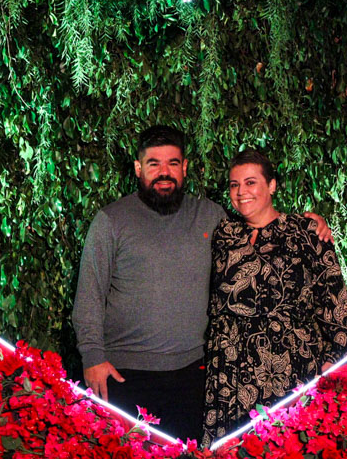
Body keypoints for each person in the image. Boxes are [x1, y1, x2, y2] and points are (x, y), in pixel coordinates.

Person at [73, 127, 331, 441]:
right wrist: (93, 357)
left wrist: (305, 225)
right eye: (154, 164)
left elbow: (258, 228)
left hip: (194, 375)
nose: (164, 172)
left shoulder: (210, 216)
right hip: (125, 373)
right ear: (139, 168)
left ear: (184, 167)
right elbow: (89, 295)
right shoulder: (111, 221)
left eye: (173, 163)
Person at [202, 149, 347, 447]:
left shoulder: (306, 231)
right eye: (234, 185)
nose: (241, 192)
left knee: (289, 447)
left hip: (291, 365)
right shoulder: (223, 233)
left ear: (271, 185)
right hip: (231, 371)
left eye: (250, 182)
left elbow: (335, 301)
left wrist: (334, 361)